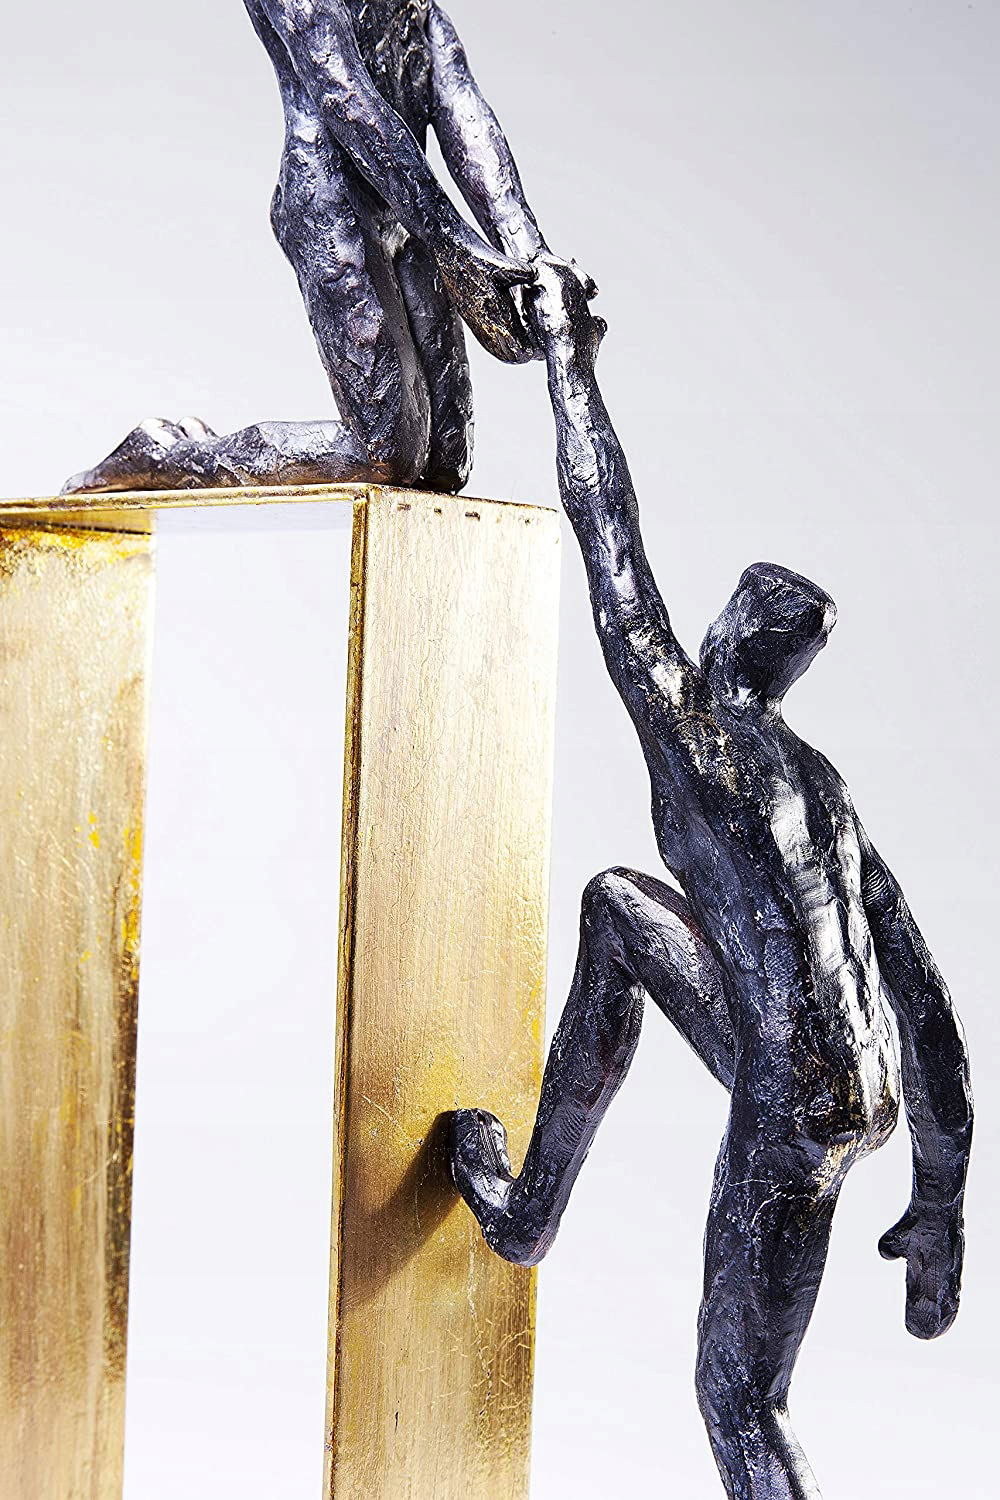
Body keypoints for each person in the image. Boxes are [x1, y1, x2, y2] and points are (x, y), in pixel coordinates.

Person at [450, 262, 973, 1500]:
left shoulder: (692, 732)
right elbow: (926, 1008)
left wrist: (569, 360)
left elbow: (607, 533)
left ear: (730, 638)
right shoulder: (823, 790)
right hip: (855, 1087)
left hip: (791, 1099)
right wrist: (940, 1198)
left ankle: (528, 1214)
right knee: (617, 909)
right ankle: (526, 1213)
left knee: (738, 1403)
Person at [65, 2, 575, 495]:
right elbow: (345, 97)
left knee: (445, 462)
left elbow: (459, 103)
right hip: (332, 203)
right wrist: (455, 244)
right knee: (384, 454)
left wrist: (532, 256)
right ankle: (166, 455)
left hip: (409, 213)